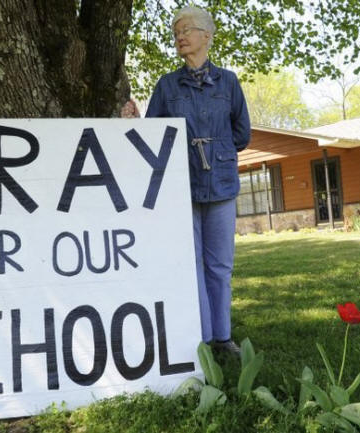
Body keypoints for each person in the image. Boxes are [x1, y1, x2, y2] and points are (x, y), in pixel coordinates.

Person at [122, 6, 250, 355]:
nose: (179, 35)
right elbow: (154, 138)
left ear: (206, 36)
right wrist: (133, 120)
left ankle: (223, 337)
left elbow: (242, 134)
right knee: (192, 265)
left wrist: (216, 150)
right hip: (182, 187)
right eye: (176, 31)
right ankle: (204, 339)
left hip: (222, 185)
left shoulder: (229, 82)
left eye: (186, 29)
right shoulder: (167, 85)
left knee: (220, 265)